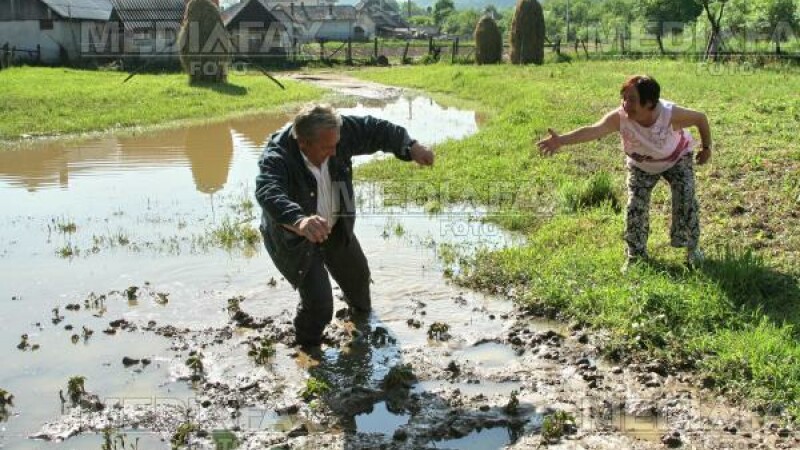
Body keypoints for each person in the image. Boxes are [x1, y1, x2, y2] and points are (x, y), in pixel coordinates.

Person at [255, 104, 434, 348]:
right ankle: (307, 350)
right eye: (326, 148)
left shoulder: (338, 133)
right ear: (303, 143)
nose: (334, 151)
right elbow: (268, 191)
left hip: (336, 225)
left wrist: (411, 146)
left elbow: (376, 129)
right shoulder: (278, 157)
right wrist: (300, 221)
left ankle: (361, 332)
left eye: (336, 145)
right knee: (319, 304)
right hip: (296, 237)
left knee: (359, 282)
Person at [537, 75, 712, 271]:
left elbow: (700, 119)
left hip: (676, 159)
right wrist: (561, 140)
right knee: (635, 206)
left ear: (650, 103)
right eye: (624, 98)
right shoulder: (620, 118)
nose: (625, 104)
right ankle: (636, 256)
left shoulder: (670, 115)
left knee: (685, 197)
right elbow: (593, 130)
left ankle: (692, 249)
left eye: (632, 100)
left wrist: (706, 148)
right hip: (641, 165)